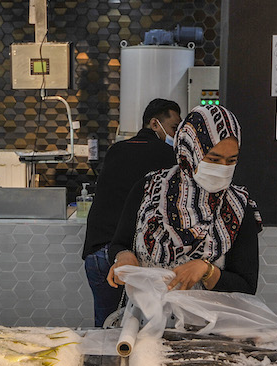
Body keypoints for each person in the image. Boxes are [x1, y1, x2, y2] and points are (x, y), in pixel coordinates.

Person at [106, 104, 261, 296]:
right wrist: (124, 257)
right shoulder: (149, 189)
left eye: (231, 161)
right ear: (189, 151)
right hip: (149, 317)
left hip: (211, 321)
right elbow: (119, 243)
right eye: (213, 159)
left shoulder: (237, 207)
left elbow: (246, 286)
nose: (223, 168)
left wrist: (207, 271)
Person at [82, 98, 181, 326]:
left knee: (106, 328)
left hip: (97, 255)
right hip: (132, 257)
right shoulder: (168, 155)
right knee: (142, 329)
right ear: (155, 124)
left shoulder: (116, 150)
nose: (176, 133)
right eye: (174, 127)